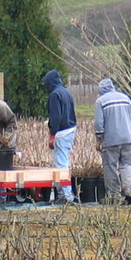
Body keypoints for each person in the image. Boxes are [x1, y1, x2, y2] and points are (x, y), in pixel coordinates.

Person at [94, 77, 131, 204]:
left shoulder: (100, 101)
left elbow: (98, 123)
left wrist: (99, 140)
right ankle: (129, 190)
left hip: (111, 141)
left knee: (110, 167)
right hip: (129, 139)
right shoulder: (125, 98)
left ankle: (114, 196)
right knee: (128, 165)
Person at [43, 69, 77, 203]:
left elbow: (56, 117)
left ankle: (66, 196)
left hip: (61, 132)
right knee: (64, 162)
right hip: (71, 129)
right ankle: (65, 194)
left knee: (61, 163)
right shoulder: (66, 92)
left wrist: (52, 135)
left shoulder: (55, 95)